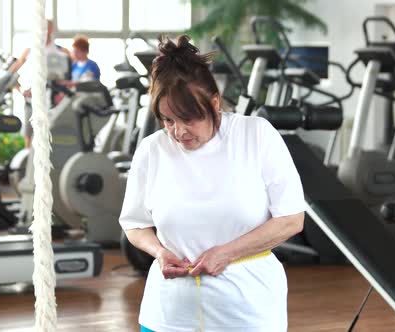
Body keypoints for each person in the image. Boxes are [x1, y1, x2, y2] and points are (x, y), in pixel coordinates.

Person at [119, 35, 305, 332]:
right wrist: (159, 252)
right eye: (167, 121)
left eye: (188, 118)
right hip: (169, 314)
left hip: (247, 312)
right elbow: (135, 224)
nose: (178, 132)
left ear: (214, 103)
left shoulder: (256, 135)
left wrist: (227, 253)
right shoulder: (152, 150)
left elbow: (292, 219)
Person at [11, 20, 72, 148]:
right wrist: (21, 90)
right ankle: (28, 164)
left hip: (53, 103)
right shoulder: (29, 51)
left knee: (53, 136)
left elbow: (71, 77)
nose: (45, 31)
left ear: (51, 30)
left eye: (47, 28)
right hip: (31, 102)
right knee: (30, 135)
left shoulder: (62, 52)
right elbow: (11, 73)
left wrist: (62, 93)